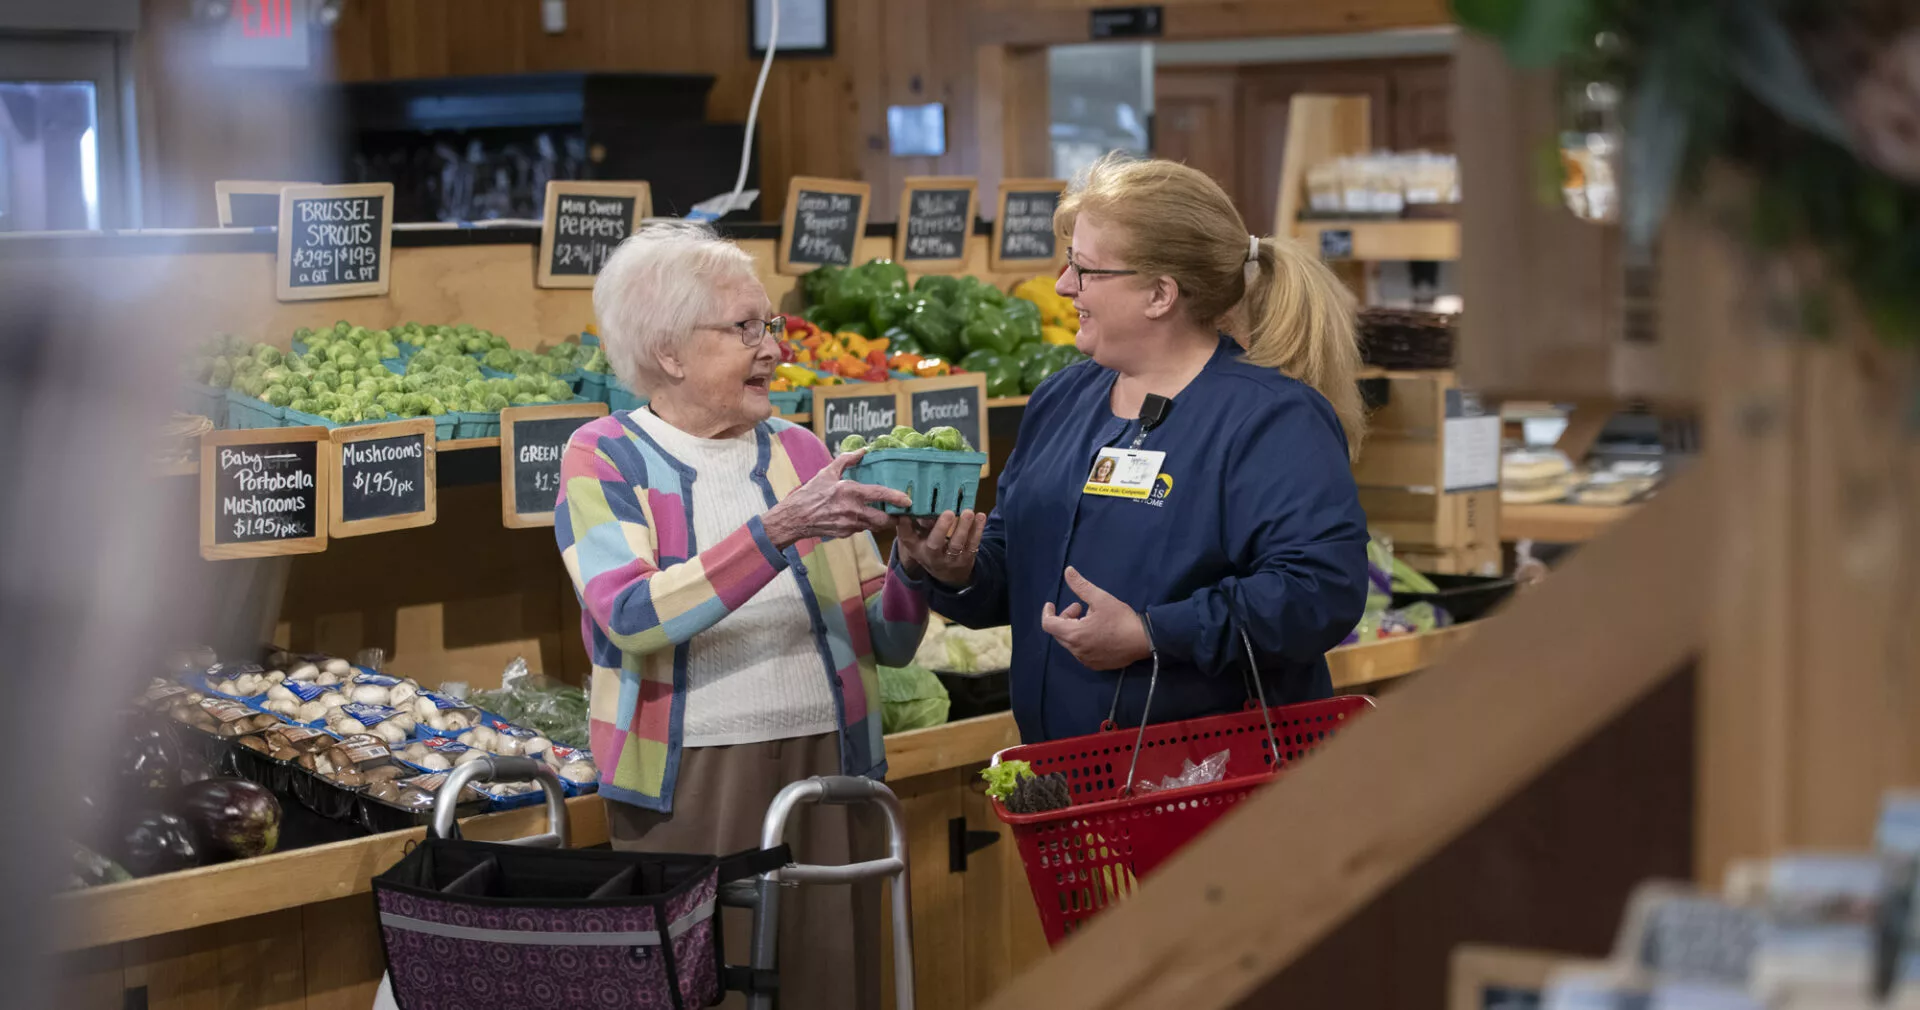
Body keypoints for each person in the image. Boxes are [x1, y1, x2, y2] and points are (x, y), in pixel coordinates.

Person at [555, 220, 925, 1010]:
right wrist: (779, 530)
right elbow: (630, 612)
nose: (774, 349)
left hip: (832, 762)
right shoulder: (603, 456)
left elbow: (886, 639)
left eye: (773, 326)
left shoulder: (800, 452)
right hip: (686, 781)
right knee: (706, 989)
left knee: (834, 987)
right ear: (669, 351)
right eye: (746, 329)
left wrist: (926, 565)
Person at [894, 154, 1370, 744]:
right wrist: (957, 569)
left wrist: (1152, 633)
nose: (1065, 286)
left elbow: (1320, 592)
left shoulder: (1270, 417)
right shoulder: (1062, 398)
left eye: (1086, 270)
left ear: (1160, 294)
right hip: (1067, 783)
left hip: (1216, 788)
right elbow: (1017, 565)